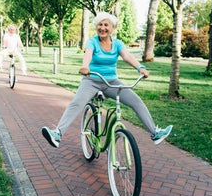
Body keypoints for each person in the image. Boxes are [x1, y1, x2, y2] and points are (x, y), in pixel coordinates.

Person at [42, 12, 172, 148]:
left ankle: (155, 133)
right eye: (100, 25)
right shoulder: (92, 42)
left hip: (112, 83)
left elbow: (127, 57)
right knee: (76, 103)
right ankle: (57, 134)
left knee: (136, 101)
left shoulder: (117, 44)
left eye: (106, 25)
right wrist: (85, 66)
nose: (102, 28)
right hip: (91, 81)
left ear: (112, 28)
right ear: (96, 27)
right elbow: (88, 54)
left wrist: (140, 68)